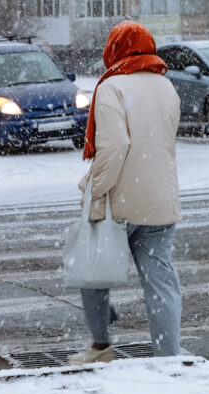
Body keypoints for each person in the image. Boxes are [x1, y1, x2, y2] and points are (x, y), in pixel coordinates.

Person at [68, 20, 184, 365]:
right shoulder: (166, 86)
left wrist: (94, 187)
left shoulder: (112, 87)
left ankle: (101, 346)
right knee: (161, 281)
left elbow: (116, 145)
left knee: (92, 272)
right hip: (162, 200)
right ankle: (169, 356)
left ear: (115, 50)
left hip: (120, 202)